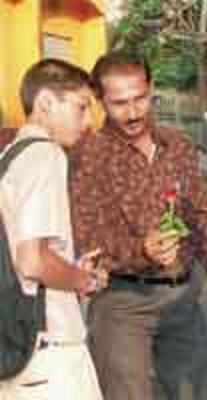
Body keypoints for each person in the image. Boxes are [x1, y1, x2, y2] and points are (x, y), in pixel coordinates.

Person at [70, 51, 207, 400]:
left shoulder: (176, 145)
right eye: (119, 103)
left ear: (150, 89)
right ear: (101, 100)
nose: (133, 113)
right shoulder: (89, 154)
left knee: (192, 392)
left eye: (139, 99)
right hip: (122, 303)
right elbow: (86, 235)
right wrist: (140, 251)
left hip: (181, 299)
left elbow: (201, 211)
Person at [0, 59, 108, 399]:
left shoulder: (9, 158)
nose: (89, 122)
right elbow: (31, 261)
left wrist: (69, 269)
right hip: (50, 352)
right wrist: (83, 280)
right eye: (81, 108)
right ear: (46, 103)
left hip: (17, 346)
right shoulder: (46, 155)